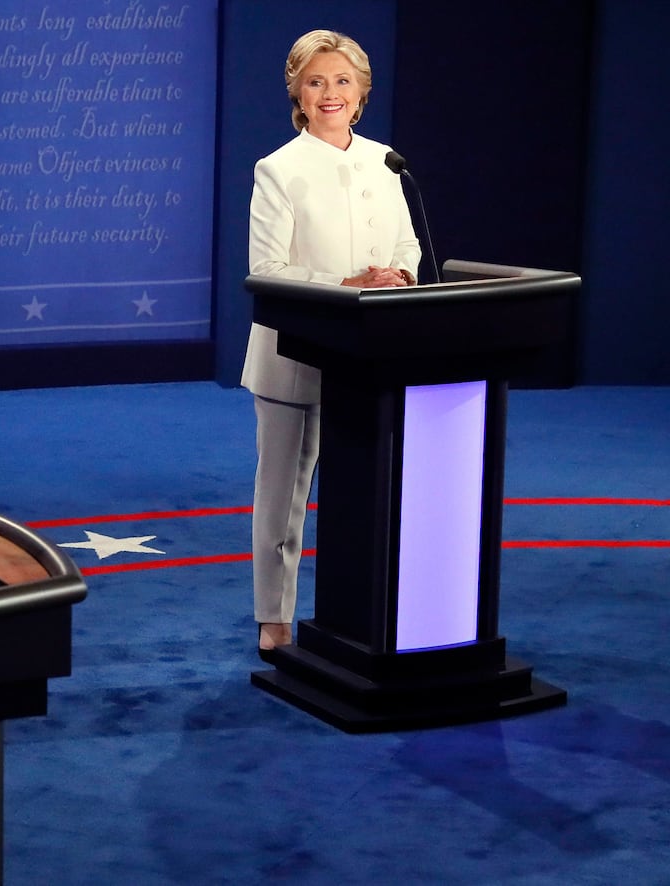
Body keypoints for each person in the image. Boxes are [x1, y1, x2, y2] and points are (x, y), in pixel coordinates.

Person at [242, 30, 420, 658]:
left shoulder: (386, 161)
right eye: (316, 81)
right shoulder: (279, 169)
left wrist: (399, 276)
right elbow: (266, 269)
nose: (330, 94)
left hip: (371, 359)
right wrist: (346, 283)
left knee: (366, 497)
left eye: (342, 81)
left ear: (363, 91)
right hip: (294, 354)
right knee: (284, 498)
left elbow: (407, 247)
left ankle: (363, 614)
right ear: (296, 89)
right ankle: (274, 616)